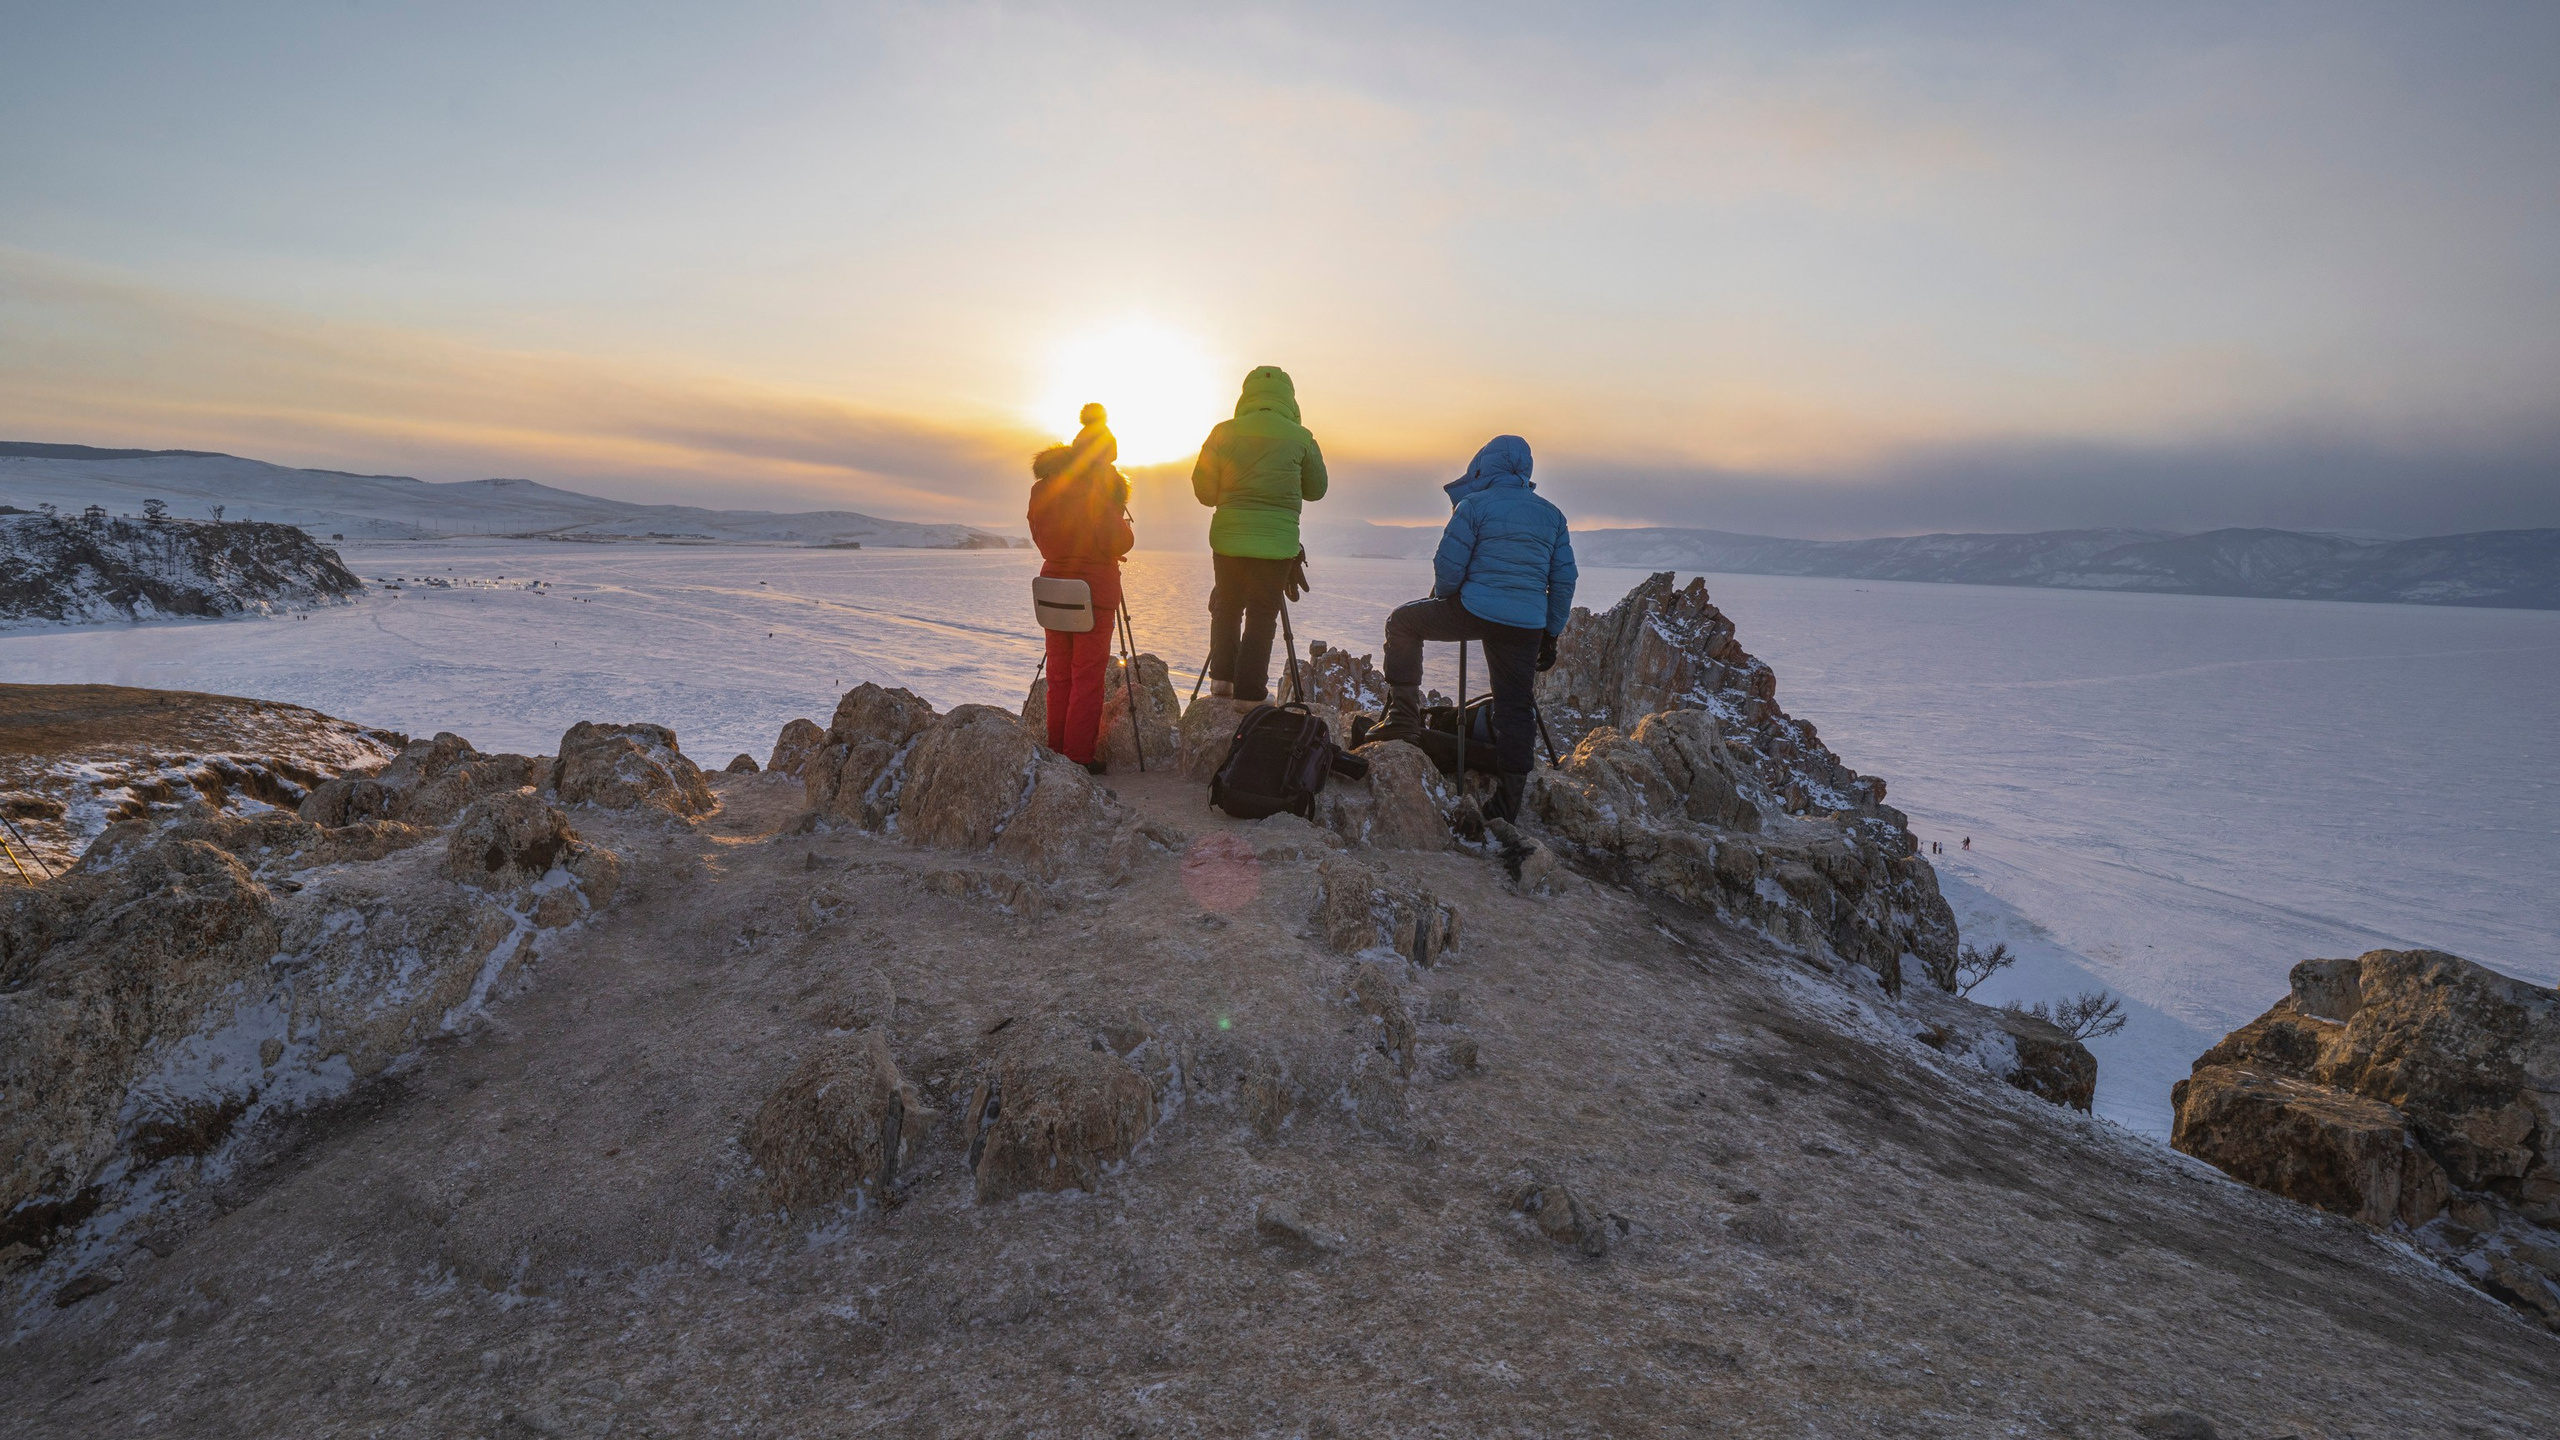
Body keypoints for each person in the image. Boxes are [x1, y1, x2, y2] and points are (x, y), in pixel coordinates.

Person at [1369, 434, 1576, 822]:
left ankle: (1403, 719)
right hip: (1526, 624)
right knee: (1516, 706)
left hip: (1474, 610)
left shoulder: (1474, 504)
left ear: (1485, 466)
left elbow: (1447, 565)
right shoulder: (1553, 515)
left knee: (1402, 624)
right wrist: (1550, 631)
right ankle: (1507, 803)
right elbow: (1564, 580)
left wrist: (1447, 596)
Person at [1190, 366, 1327, 711]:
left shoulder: (1222, 433)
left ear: (1245, 395)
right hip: (1277, 543)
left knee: (1227, 604)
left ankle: (1222, 680)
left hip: (1228, 539)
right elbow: (1317, 490)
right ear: (1289, 399)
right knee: (1263, 613)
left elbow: (1205, 492)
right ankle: (1250, 695)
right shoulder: (1302, 437)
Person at [1028, 404, 1133, 773]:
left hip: (1054, 587)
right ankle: (1078, 756)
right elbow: (1117, 540)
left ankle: (1057, 748)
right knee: (1087, 678)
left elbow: (1042, 535)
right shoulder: (1099, 489)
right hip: (1093, 592)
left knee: (1058, 674)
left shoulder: (1043, 488)